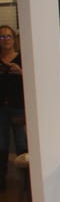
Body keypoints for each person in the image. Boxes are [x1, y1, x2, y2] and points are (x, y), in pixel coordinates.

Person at [0, 25, 27, 190]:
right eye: (2, 37)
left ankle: (26, 180)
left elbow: (31, 81)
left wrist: (21, 73)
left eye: (8, 36)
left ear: (14, 39)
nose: (6, 40)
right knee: (2, 144)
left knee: (21, 142)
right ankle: (2, 180)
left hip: (18, 106)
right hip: (1, 106)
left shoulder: (21, 59)